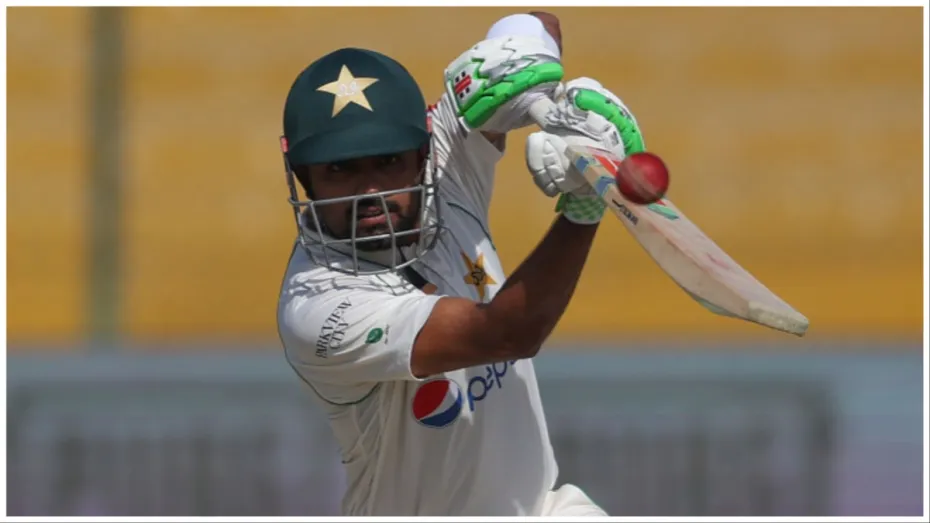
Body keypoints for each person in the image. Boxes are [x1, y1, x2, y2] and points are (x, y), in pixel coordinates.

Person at [276, 11, 645, 517]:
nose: (371, 192)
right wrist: (584, 207)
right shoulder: (318, 308)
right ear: (304, 177)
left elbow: (540, 23)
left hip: (540, 506)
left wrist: (534, 77)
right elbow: (508, 334)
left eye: (389, 162)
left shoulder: (446, 165)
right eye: (341, 170)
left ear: (422, 154)